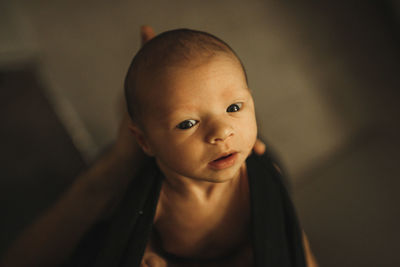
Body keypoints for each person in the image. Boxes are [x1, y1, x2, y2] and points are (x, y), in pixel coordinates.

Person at [0, 26, 317, 267]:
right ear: (144, 141)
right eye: (187, 123)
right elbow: (128, 240)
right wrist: (148, 253)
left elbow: (291, 236)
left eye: (234, 108)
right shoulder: (153, 201)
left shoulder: (259, 179)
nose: (222, 132)